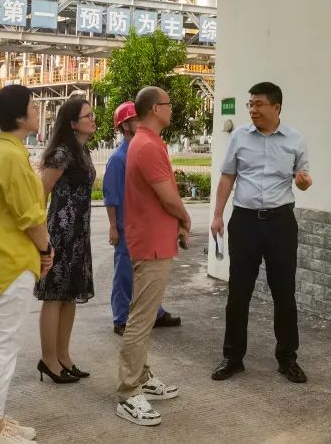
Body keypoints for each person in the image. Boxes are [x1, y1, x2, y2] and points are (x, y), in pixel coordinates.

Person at [210, 82, 312, 384]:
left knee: (284, 293)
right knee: (238, 292)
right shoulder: (240, 137)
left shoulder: (295, 140)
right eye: (250, 104)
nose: (252, 110)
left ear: (276, 107)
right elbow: (228, 176)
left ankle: (287, 358)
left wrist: (304, 182)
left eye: (258, 104)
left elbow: (303, 180)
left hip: (280, 223)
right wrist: (217, 215)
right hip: (245, 221)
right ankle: (233, 358)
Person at [0, 84, 53, 444]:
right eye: (33, 106)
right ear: (20, 117)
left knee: (0, 345)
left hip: (8, 260)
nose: (38, 111)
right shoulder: (11, 156)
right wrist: (46, 249)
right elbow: (29, 216)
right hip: (10, 261)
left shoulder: (8, 150)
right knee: (2, 347)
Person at [115, 86, 191, 427]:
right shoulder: (146, 145)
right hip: (151, 243)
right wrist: (185, 218)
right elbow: (168, 196)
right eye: (168, 104)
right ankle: (128, 391)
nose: (171, 108)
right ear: (155, 109)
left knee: (141, 314)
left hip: (153, 239)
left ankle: (142, 376)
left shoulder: (147, 141)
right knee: (141, 320)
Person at [104, 101, 181, 335]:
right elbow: (111, 196)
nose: (140, 123)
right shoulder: (118, 159)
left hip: (146, 224)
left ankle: (155, 312)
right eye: (134, 120)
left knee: (150, 274)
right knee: (125, 274)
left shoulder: (145, 148)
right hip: (127, 226)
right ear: (124, 126)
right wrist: (113, 227)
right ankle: (121, 318)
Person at [34, 95, 96, 382]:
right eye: (87, 116)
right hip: (60, 233)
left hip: (79, 233)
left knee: (70, 295)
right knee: (54, 296)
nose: (93, 120)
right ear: (72, 123)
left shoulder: (83, 151)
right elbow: (41, 193)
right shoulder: (61, 153)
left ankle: (64, 356)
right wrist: (41, 235)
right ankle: (49, 360)